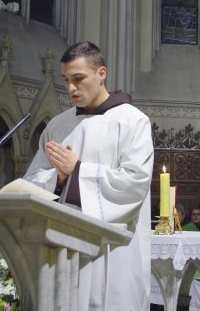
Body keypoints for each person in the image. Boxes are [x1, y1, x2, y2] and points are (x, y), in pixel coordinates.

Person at [23, 41, 154, 311]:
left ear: (101, 73)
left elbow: (135, 183)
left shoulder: (133, 121)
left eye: (78, 78)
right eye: (66, 80)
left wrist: (78, 171)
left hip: (114, 254)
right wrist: (58, 179)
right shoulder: (57, 125)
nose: (71, 88)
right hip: (62, 248)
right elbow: (32, 181)